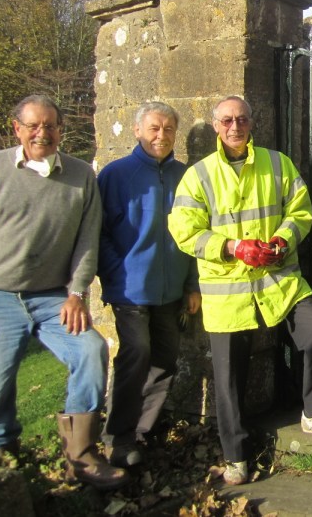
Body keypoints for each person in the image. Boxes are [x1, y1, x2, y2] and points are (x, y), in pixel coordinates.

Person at [168, 95, 312, 487]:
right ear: (216, 126)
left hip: (279, 280)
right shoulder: (198, 175)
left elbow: (300, 211)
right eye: (227, 120)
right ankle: (236, 457)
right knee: (228, 375)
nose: (235, 126)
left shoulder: (278, 163)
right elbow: (184, 230)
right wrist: (232, 247)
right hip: (228, 290)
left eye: (241, 119)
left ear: (252, 122)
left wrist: (283, 240)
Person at [0, 94, 127, 489]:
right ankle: (0, 457)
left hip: (53, 297)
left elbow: (87, 240)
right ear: (17, 128)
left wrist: (76, 293)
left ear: (61, 130)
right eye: (33, 126)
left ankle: (81, 455)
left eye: (50, 126)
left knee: (90, 350)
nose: (41, 133)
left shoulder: (80, 175)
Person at [97, 102, 201, 468]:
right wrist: (118, 271)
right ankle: (117, 436)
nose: (162, 135)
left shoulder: (185, 176)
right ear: (137, 130)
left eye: (169, 129)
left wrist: (191, 283)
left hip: (170, 290)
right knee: (136, 354)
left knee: (165, 359)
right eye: (154, 128)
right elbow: (99, 232)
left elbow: (196, 232)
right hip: (129, 289)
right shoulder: (115, 175)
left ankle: (142, 433)